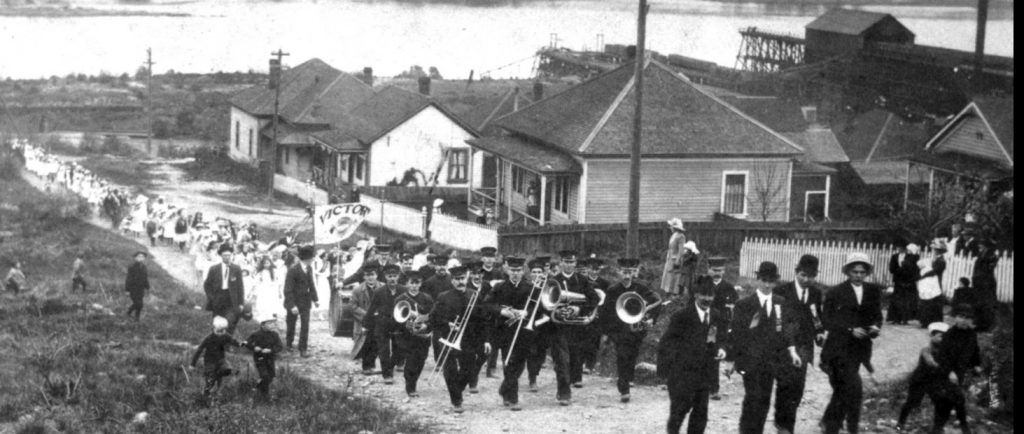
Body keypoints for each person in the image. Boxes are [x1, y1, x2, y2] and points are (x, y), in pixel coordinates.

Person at [728, 261, 802, 434]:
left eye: (771, 281)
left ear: (775, 281)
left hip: (772, 361)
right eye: (764, 280)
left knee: (764, 400)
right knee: (753, 398)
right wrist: (730, 359)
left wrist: (792, 350)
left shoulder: (780, 302)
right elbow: (736, 334)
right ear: (757, 279)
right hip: (750, 361)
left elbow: (785, 329)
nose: (767, 285)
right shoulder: (745, 304)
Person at [820, 253, 884, 434]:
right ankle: (849, 428)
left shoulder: (872, 291)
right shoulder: (836, 292)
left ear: (867, 273)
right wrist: (849, 330)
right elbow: (827, 320)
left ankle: (829, 422)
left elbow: (877, 316)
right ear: (848, 272)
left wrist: (875, 327)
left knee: (843, 389)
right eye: (855, 271)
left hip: (860, 349)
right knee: (854, 389)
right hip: (838, 348)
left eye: (862, 272)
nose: (858, 275)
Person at [658, 281, 728, 434]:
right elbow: (666, 343)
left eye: (710, 295)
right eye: (704, 295)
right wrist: (666, 373)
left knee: (700, 414)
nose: (707, 299)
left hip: (703, 374)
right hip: (682, 375)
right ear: (696, 295)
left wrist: (721, 349)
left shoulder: (716, 315)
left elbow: (719, 337)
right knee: (679, 412)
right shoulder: (681, 316)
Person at [773, 255, 825, 434]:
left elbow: (817, 318)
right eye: (803, 275)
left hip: (804, 347)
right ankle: (785, 426)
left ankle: (785, 423)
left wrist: (819, 334)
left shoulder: (816, 294)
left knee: (798, 387)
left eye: (811, 276)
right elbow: (778, 320)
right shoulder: (782, 291)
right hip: (783, 345)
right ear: (796, 272)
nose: (806, 279)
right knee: (785, 384)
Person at [429, 266, 491, 413]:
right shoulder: (443, 297)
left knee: (468, 369)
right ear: (452, 281)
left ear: (466, 279)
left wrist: (486, 340)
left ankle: (457, 391)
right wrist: (447, 323)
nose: (460, 282)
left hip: (469, 339)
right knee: (450, 371)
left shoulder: (474, 295)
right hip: (447, 338)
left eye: (462, 278)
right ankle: (456, 401)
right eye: (456, 279)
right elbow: (433, 317)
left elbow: (484, 320)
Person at [601, 257, 661, 403]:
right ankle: (624, 387)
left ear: (634, 272)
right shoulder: (613, 290)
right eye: (624, 272)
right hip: (619, 330)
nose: (627, 275)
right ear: (618, 272)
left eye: (630, 272)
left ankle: (628, 378)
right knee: (622, 355)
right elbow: (606, 312)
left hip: (636, 330)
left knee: (632, 355)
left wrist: (651, 318)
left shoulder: (641, 288)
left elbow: (657, 301)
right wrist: (606, 332)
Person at [895, 322, 969, 434]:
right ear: (932, 336)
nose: (943, 339)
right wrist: (948, 371)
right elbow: (931, 362)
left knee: (941, 403)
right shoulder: (926, 350)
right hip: (920, 380)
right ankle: (900, 424)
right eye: (940, 336)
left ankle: (937, 429)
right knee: (912, 402)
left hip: (935, 381)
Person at [548, 249, 600, 406]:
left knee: (575, 358)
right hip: (558, 327)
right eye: (565, 262)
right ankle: (564, 392)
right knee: (561, 360)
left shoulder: (582, 280)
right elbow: (545, 302)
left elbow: (594, 299)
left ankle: (568, 383)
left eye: (571, 262)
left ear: (575, 263)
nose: (568, 265)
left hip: (577, 328)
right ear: (560, 263)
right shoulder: (553, 280)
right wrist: (556, 310)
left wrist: (579, 309)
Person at [490, 256, 535, 411]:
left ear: (523, 272)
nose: (515, 273)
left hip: (524, 330)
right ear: (507, 270)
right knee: (509, 362)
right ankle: (513, 398)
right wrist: (502, 311)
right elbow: (488, 305)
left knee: (520, 363)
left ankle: (504, 389)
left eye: (518, 270)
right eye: (512, 270)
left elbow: (539, 308)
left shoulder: (531, 287)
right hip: (505, 331)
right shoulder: (499, 287)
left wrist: (525, 312)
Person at [364, 263, 407, 384]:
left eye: (394, 276)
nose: (392, 278)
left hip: (399, 325)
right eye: (389, 276)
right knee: (384, 351)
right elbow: (371, 309)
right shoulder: (379, 291)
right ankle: (387, 375)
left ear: (398, 276)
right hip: (382, 324)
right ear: (385, 277)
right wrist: (365, 325)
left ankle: (391, 366)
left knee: (399, 350)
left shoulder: (404, 290)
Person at [395, 271, 434, 398]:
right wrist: (406, 325)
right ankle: (410, 386)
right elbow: (396, 317)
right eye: (412, 282)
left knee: (421, 360)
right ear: (407, 283)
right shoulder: (400, 299)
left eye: (417, 283)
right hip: (406, 336)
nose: (414, 286)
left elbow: (433, 316)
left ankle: (414, 381)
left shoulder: (427, 298)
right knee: (411, 360)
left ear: (421, 283)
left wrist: (425, 324)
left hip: (422, 335)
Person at [704, 256, 737, 400]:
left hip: (721, 326)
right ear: (708, 269)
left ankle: (714, 389)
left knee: (715, 354)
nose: (717, 273)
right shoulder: (702, 285)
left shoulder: (729, 288)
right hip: (703, 324)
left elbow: (733, 309)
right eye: (714, 270)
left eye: (720, 270)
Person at [190, 316, 242, 401]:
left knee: (227, 369)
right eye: (218, 331)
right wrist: (192, 364)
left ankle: (217, 387)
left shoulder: (226, 335)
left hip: (221, 359)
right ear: (214, 328)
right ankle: (206, 394)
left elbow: (234, 341)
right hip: (209, 360)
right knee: (210, 377)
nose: (221, 333)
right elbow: (199, 350)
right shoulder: (209, 338)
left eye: (223, 331)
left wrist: (240, 344)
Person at [283, 245, 320, 358]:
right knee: (291, 323)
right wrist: (292, 305)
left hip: (305, 301)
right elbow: (287, 289)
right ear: (306, 258)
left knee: (305, 325)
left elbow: (311, 284)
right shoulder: (293, 270)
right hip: (293, 301)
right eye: (312, 257)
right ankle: (289, 344)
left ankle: (303, 348)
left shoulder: (309, 268)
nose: (313, 259)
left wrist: (315, 299)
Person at [204, 244, 246, 335]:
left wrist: (241, 303)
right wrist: (212, 297)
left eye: (229, 255)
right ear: (221, 256)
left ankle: (228, 342)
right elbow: (207, 285)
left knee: (230, 321)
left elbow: (240, 287)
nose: (227, 257)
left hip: (231, 298)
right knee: (218, 322)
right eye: (225, 255)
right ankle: (215, 343)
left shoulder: (236, 269)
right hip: (218, 297)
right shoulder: (214, 269)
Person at [579, 257, 610, 378]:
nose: (594, 271)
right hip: (585, 312)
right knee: (582, 338)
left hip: (598, 315)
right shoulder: (582, 281)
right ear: (588, 269)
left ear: (599, 270)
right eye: (592, 269)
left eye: (596, 269)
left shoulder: (605, 283)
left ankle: (589, 364)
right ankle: (580, 362)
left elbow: (607, 302)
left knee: (594, 340)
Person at [243, 313, 284, 401]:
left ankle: (259, 386)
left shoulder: (274, 335)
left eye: (273, 323)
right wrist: (254, 347)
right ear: (263, 325)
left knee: (271, 375)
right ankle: (265, 395)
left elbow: (280, 346)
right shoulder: (256, 334)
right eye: (269, 323)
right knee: (265, 375)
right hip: (259, 358)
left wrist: (271, 350)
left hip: (270, 358)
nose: (272, 325)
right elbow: (246, 343)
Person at [351, 265, 380, 374]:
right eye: (367, 275)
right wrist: (367, 314)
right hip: (364, 321)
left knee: (377, 343)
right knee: (365, 342)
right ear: (364, 277)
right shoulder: (357, 290)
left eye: (372, 275)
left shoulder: (382, 287)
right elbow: (353, 307)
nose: (370, 277)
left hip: (378, 319)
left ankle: (372, 365)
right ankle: (366, 366)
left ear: (376, 275)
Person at [888, 242, 920, 325]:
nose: (899, 248)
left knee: (906, 300)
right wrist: (899, 271)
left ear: (905, 248)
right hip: (898, 280)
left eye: (900, 247)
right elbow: (891, 269)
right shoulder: (894, 257)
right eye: (898, 247)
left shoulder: (911, 257)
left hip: (907, 281)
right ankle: (895, 318)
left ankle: (905, 319)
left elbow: (913, 269)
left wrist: (905, 272)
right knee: (897, 300)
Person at [917, 240, 947, 328]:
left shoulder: (941, 260)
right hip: (929, 282)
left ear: (940, 250)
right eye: (934, 249)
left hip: (935, 282)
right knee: (926, 300)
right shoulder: (934, 258)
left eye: (936, 249)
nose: (934, 251)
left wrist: (925, 275)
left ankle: (934, 321)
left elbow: (935, 271)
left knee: (934, 301)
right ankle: (925, 321)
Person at [970, 239, 998, 332]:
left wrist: (979, 278)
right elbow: (977, 268)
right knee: (978, 304)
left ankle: (987, 325)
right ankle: (979, 324)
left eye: (981, 245)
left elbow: (987, 270)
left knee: (987, 305)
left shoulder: (992, 256)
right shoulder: (980, 255)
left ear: (987, 246)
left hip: (987, 283)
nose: (979, 247)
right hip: (979, 283)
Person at [251, 256, 284, 324]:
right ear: (262, 264)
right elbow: (255, 282)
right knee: (264, 305)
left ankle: (274, 318)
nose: (266, 265)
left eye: (267, 263)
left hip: (273, 290)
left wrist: (279, 291)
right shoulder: (261, 272)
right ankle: (265, 319)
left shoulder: (275, 271)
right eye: (264, 263)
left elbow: (280, 281)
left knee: (273, 305)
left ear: (270, 263)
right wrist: (254, 290)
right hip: (264, 290)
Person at [661, 218, 687, 296]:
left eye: (671, 226)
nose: (670, 228)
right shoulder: (673, 235)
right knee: (669, 275)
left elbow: (681, 250)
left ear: (675, 227)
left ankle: (675, 294)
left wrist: (677, 261)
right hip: (670, 259)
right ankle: (668, 292)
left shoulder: (681, 236)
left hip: (676, 259)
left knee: (675, 276)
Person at [125, 251, 150, 321]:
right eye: (139, 256)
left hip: (140, 289)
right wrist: (127, 290)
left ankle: (133, 315)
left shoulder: (144, 267)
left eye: (142, 257)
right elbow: (128, 279)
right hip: (133, 288)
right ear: (135, 258)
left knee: (140, 304)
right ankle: (132, 314)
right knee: (138, 303)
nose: (140, 258)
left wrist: (147, 287)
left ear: (144, 258)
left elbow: (145, 278)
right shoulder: (132, 267)